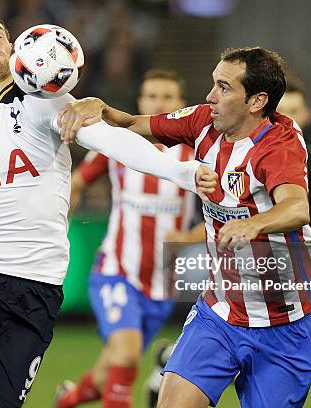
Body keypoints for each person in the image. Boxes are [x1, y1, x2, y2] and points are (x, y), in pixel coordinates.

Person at [0, 5, 216, 408]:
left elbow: (113, 142)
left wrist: (183, 172)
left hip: (36, 288)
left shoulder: (44, 101)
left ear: (16, 47)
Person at [58, 47, 311, 408]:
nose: (210, 96)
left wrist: (255, 223)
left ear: (257, 101)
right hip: (219, 312)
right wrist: (102, 109)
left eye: (223, 87)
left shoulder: (279, 145)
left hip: (283, 323)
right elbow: (134, 124)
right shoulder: (203, 121)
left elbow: (297, 208)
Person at [55, 69, 205, 408]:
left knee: (112, 368)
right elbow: (76, 183)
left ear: (181, 106)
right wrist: (58, 227)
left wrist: (187, 236)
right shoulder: (117, 145)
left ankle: (66, 400)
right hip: (117, 271)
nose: (158, 103)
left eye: (167, 98)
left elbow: (220, 217)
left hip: (161, 281)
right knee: (125, 357)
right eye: (152, 96)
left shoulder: (196, 154)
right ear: (140, 101)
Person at [276, 77, 311, 238]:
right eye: (280, 110)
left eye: (293, 111)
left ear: (306, 114)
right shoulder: (244, 155)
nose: (287, 119)